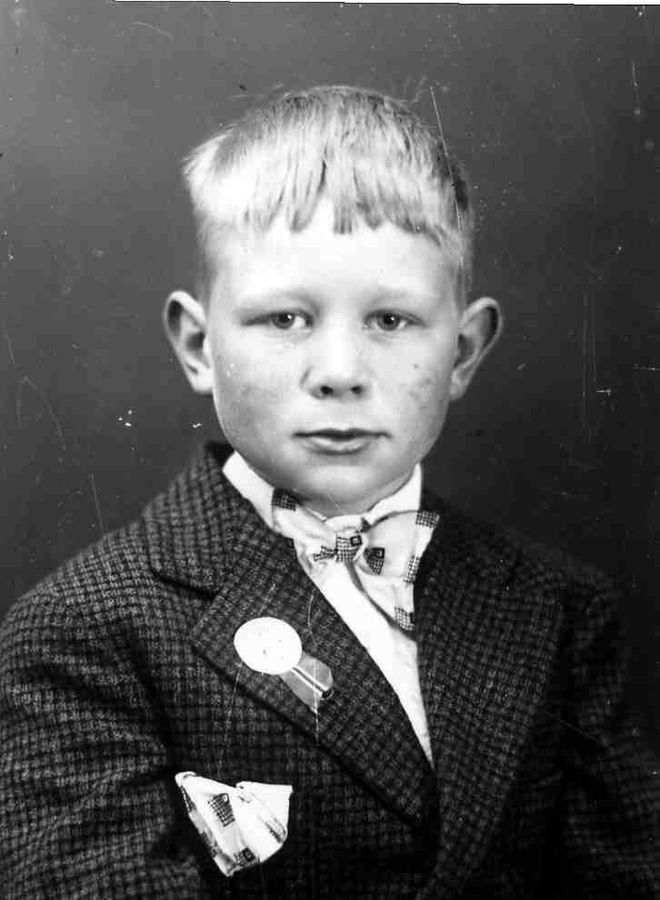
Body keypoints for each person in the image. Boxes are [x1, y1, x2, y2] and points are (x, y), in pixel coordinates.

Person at [0, 85, 658, 899]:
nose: (341, 373)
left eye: (391, 320)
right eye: (285, 319)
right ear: (198, 345)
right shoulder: (87, 630)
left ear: (463, 351)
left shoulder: (557, 607)